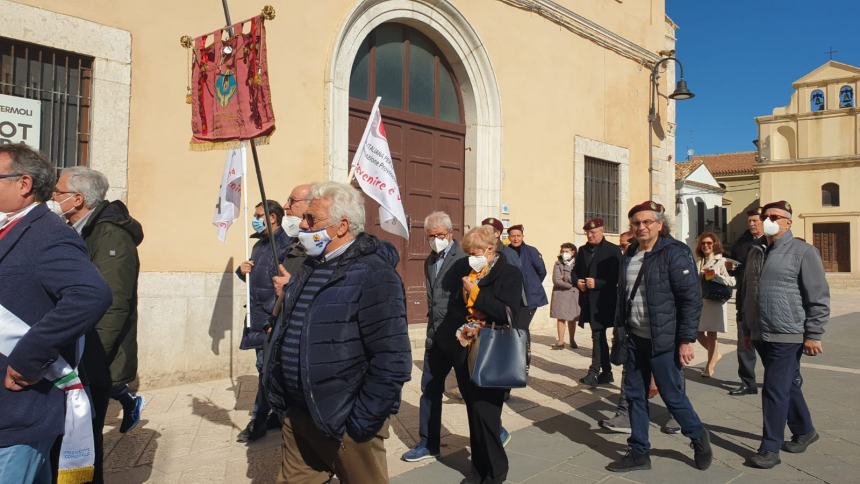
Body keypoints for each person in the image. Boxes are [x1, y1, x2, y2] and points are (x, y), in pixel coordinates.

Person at [265, 181, 411, 483]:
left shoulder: (375, 275)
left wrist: (360, 422)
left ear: (342, 226)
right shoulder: (308, 267)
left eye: (311, 220)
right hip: (300, 416)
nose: (303, 225)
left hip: (345, 423)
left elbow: (392, 359)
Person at [0, 144, 112, 484]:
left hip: (22, 403)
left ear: (23, 184)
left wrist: (27, 358)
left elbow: (91, 294)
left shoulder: (47, 233)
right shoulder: (11, 228)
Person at [51, 166, 144, 483]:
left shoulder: (109, 235)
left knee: (81, 448)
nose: (52, 196)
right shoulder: (80, 229)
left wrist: (89, 361)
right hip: (75, 355)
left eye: (57, 191)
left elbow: (113, 303)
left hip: (90, 361)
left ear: (77, 199)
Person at [607, 201, 712, 472]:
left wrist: (686, 340)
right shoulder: (629, 254)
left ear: (659, 224)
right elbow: (624, 297)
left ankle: (699, 437)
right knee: (635, 396)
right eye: (636, 223)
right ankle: (639, 451)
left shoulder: (674, 253)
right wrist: (619, 332)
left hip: (663, 340)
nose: (641, 227)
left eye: (647, 222)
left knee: (672, 396)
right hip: (634, 339)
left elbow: (691, 300)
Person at [741, 200, 829, 469]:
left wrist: (813, 333)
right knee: (787, 384)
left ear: (788, 222)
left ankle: (770, 448)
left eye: (775, 216)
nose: (769, 220)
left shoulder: (803, 252)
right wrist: (746, 328)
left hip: (787, 333)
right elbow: (747, 293)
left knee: (774, 389)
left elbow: (818, 296)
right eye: (766, 216)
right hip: (760, 333)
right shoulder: (755, 251)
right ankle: (805, 431)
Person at [456, 225, 525, 484]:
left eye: (476, 251)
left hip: (493, 350)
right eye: (469, 252)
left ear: (490, 249)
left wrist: (475, 293)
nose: (472, 257)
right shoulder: (471, 273)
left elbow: (507, 312)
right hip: (469, 347)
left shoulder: (509, 273)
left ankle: (496, 472)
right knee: (474, 413)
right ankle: (479, 470)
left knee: (487, 415)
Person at [401, 211, 470, 462]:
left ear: (450, 234)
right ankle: (428, 443)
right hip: (435, 337)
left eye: (440, 235)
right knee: (429, 389)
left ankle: (492, 431)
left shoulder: (464, 258)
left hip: (459, 336)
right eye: (431, 236)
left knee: (469, 389)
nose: (435, 240)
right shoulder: (429, 261)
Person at [235, 200, 291, 443]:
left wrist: (273, 315)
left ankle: (259, 420)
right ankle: (279, 415)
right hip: (257, 316)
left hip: (271, 318)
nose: (255, 219)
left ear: (274, 218)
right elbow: (254, 280)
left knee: (266, 369)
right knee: (266, 368)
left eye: (259, 215)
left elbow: (287, 285)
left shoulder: (285, 246)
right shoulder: (259, 245)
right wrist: (242, 271)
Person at [575, 218, 621, 387]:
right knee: (598, 336)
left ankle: (594, 372)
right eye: (587, 232)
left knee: (598, 336)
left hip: (605, 302)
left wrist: (598, 283)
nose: (590, 235)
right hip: (589, 302)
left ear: (602, 231)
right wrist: (577, 282)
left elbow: (618, 278)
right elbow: (576, 272)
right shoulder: (582, 250)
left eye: (593, 232)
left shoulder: (613, 250)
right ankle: (606, 373)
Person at [727, 207, 763, 396]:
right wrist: (729, 267)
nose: (751, 224)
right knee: (744, 345)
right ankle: (748, 382)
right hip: (744, 299)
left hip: (767, 304)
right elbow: (733, 265)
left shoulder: (773, 243)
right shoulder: (741, 242)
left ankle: (790, 380)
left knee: (773, 348)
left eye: (755, 221)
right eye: (749, 221)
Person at [694, 232, 735, 377]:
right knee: (697, 332)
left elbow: (731, 282)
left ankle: (710, 366)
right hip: (700, 301)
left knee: (712, 334)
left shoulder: (721, 261)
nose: (706, 246)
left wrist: (714, 276)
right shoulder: (699, 261)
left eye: (709, 243)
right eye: (703, 243)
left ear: (714, 245)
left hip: (714, 302)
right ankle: (715, 354)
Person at [506, 224, 547, 328]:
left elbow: (542, 271)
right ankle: (519, 344)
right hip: (512, 297)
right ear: (509, 237)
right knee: (515, 327)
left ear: (523, 236)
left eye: (518, 236)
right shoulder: (505, 253)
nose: (516, 239)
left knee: (522, 327)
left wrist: (532, 284)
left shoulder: (531, 251)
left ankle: (523, 344)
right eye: (513, 236)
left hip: (529, 297)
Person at [550, 242, 579, 349]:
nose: (564, 253)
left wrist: (566, 279)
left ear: (573, 252)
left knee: (572, 318)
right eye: (562, 251)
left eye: (566, 251)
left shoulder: (578, 263)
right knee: (561, 318)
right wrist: (571, 284)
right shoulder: (558, 264)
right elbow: (556, 280)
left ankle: (572, 340)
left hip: (573, 295)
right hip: (561, 294)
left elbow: (579, 277)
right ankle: (561, 341)